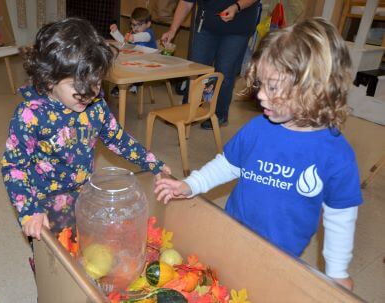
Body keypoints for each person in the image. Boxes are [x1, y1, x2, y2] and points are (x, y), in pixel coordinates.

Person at [155, 17, 363, 290]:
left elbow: (340, 217)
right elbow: (227, 165)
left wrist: (337, 271)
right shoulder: (258, 129)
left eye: (273, 87)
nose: (261, 95)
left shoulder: (336, 155)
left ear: (312, 88)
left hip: (280, 256)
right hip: (232, 232)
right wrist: (190, 184)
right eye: (261, 84)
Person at [0, 18, 170, 240]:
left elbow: (118, 140)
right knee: (53, 255)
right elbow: (14, 166)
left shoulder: (95, 106)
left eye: (97, 83)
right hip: (42, 201)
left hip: (83, 192)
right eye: (78, 86)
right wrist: (29, 210)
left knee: (84, 242)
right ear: (49, 79)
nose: (90, 94)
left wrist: (153, 164)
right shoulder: (29, 115)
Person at [162, 0, 260, 129]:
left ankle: (219, 115)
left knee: (224, 72)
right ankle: (188, 111)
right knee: (195, 70)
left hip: (238, 27)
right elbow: (186, 2)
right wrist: (172, 30)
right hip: (206, 24)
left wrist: (237, 7)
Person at [110, 7, 157, 95]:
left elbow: (144, 37)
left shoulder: (149, 33)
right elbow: (124, 43)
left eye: (138, 25)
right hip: (137, 60)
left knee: (128, 65)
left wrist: (133, 38)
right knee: (121, 61)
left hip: (150, 62)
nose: (134, 28)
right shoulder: (135, 33)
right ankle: (128, 83)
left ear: (148, 24)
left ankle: (127, 84)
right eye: (132, 24)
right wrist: (115, 32)